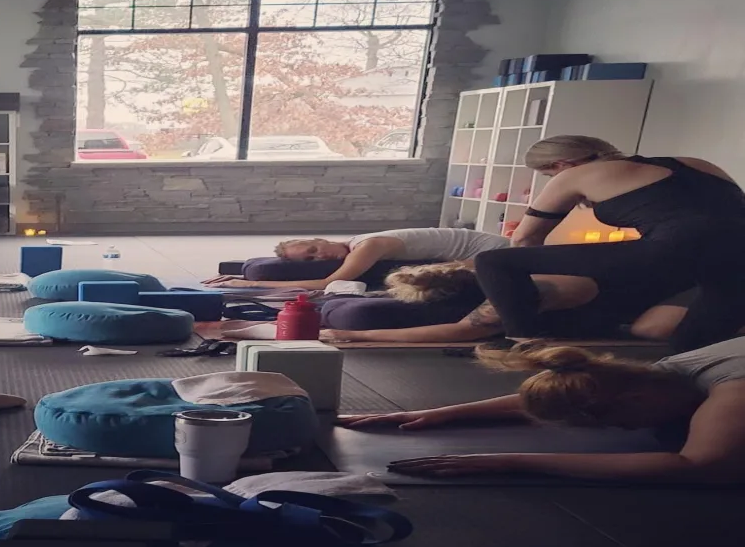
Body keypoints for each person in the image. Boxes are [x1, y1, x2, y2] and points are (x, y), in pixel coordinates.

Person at [336, 339, 745, 483]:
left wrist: (510, 461)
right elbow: (582, 392)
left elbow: (700, 464)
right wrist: (449, 412)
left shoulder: (733, 388)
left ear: (635, 401)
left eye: (614, 422)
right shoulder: (659, 375)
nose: (619, 429)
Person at [476, 135, 745, 352]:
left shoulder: (574, 175)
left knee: (493, 262)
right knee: (689, 347)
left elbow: (525, 238)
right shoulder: (694, 163)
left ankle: (523, 343)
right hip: (734, 259)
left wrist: (524, 288)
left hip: (678, 251)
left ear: (561, 164)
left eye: (547, 175)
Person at [321, 262, 694, 344]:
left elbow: (462, 331)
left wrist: (363, 336)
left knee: (651, 330)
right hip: (611, 307)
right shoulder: (478, 274)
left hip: (666, 295)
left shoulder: (523, 288)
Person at [203, 227, 509, 290]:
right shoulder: (357, 245)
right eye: (310, 260)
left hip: (495, 254)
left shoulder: (368, 245)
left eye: (314, 249)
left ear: (320, 238)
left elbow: (330, 282)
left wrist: (251, 284)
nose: (320, 256)